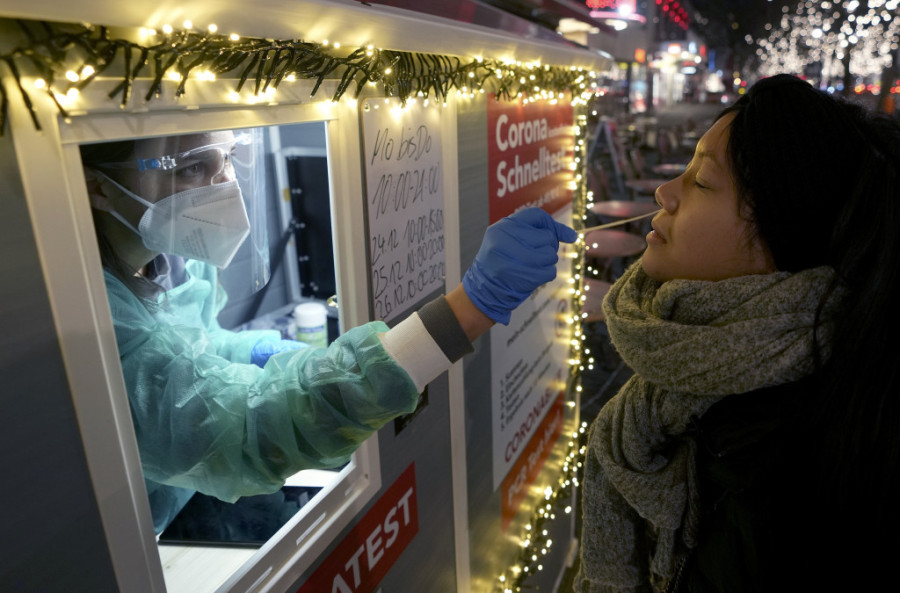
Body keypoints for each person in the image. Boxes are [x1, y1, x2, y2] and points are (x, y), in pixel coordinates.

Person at [80, 131, 577, 534]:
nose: (222, 187)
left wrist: (256, 349)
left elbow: (192, 349)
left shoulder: (173, 262)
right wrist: (470, 309)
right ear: (98, 186)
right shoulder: (91, 317)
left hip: (193, 492)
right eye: (191, 167)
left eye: (227, 159)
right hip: (136, 534)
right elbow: (246, 431)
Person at [575, 74, 900, 593]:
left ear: (781, 240)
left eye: (701, 181)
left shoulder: (787, 475)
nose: (664, 192)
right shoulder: (695, 391)